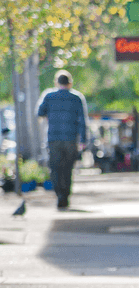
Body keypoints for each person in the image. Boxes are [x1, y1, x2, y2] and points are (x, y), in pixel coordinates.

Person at [37, 70, 88, 210]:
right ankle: (65, 195)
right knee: (67, 169)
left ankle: (59, 194)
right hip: (71, 139)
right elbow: (83, 121)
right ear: (70, 83)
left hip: (53, 138)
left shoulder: (49, 96)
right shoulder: (77, 98)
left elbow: (40, 112)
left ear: (56, 82)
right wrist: (83, 140)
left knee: (55, 168)